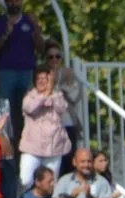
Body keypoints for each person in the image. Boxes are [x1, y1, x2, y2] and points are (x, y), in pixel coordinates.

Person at [0, 0, 45, 144]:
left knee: (29, 111)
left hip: (27, 73)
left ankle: (29, 144)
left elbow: (41, 48)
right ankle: (7, 145)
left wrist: (36, 27)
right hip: (6, 73)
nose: (14, 2)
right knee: (6, 113)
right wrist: (6, 34)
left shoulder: (30, 21)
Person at [18, 64, 70, 189]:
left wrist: (52, 93)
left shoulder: (58, 95)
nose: (41, 81)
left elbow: (62, 108)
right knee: (25, 181)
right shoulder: (29, 96)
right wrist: (46, 94)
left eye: (45, 78)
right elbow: (30, 108)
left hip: (53, 147)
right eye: (38, 78)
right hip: (32, 148)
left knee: (50, 185)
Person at [44, 42, 81, 173]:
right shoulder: (41, 74)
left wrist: (68, 83)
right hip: (49, 124)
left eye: (57, 56)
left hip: (67, 122)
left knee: (68, 158)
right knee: (52, 161)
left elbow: (75, 97)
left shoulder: (68, 73)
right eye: (50, 57)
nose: (54, 60)